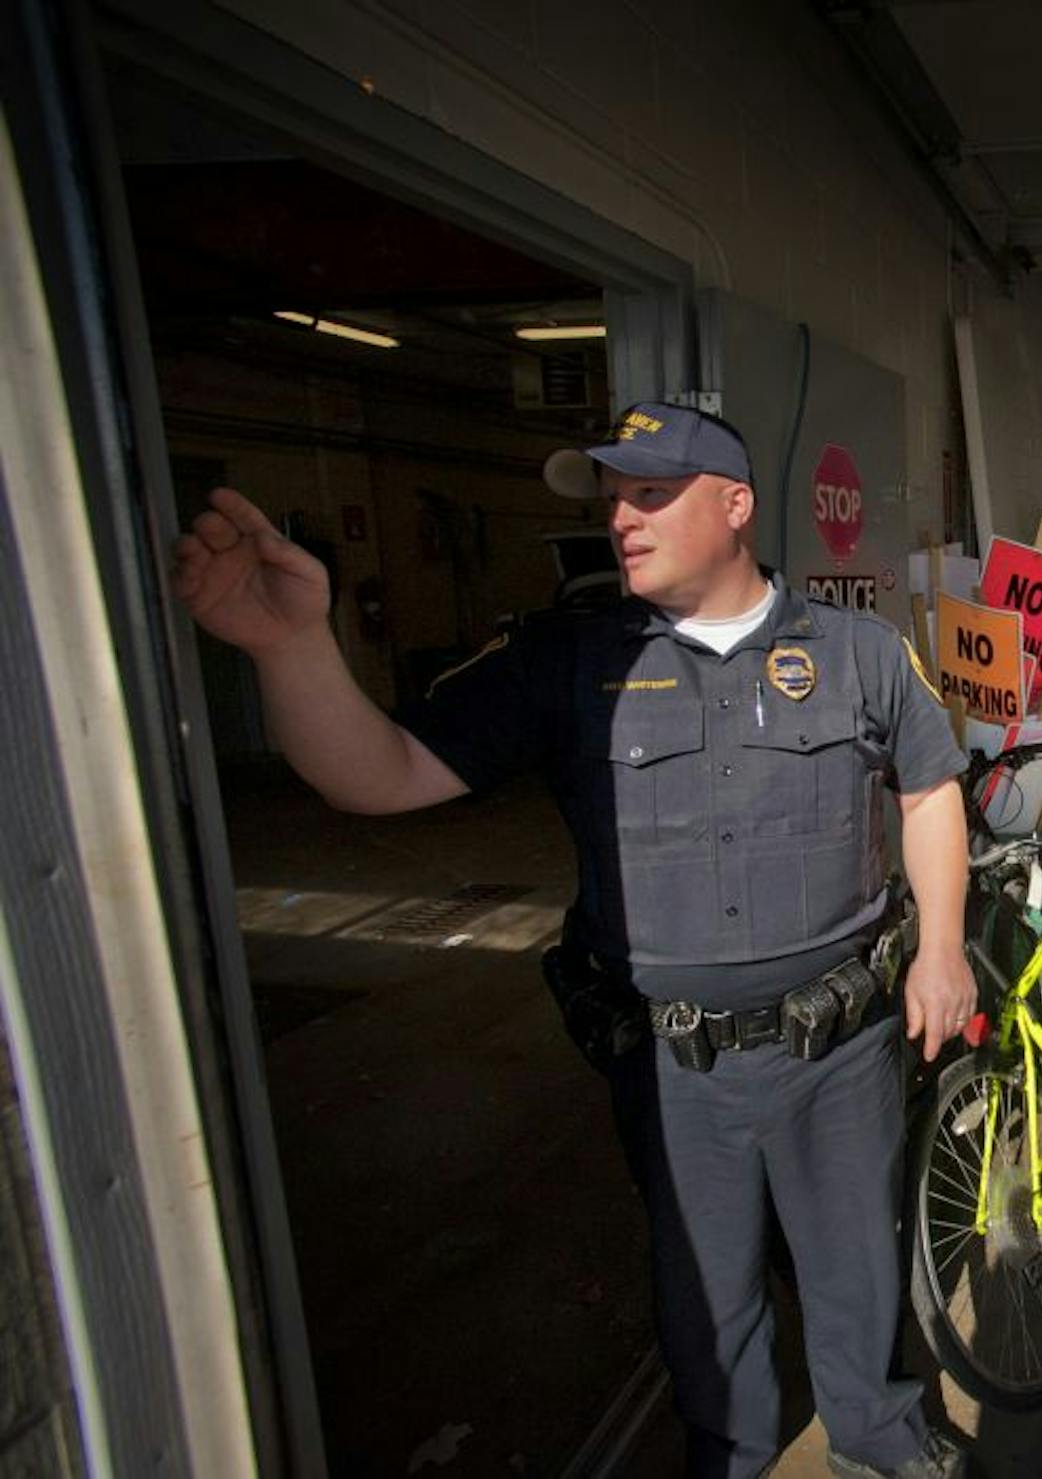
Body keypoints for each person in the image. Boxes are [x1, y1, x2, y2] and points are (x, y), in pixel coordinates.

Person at [174, 403, 975, 1479]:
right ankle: (731, 1459)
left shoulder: (857, 651)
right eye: (613, 498)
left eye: (651, 492)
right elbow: (383, 774)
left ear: (734, 506)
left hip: (839, 1053)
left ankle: (880, 1442)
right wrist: (292, 648)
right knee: (706, 1298)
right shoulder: (563, 661)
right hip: (675, 1066)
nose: (621, 519)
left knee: (857, 1273)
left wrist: (940, 949)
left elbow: (929, 789)